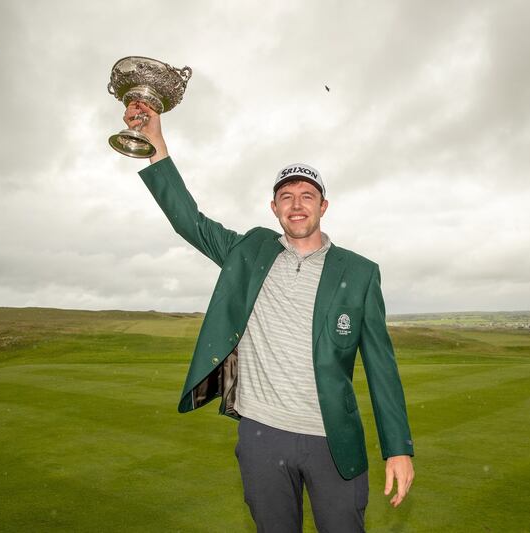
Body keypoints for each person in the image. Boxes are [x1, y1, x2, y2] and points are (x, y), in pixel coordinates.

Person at [124, 101, 414, 532]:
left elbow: (381, 367)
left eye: (307, 197)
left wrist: (398, 448)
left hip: (332, 440)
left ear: (323, 205)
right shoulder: (249, 251)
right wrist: (155, 142)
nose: (297, 205)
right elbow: (189, 220)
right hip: (262, 435)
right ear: (274, 207)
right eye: (287, 197)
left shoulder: (360, 272)